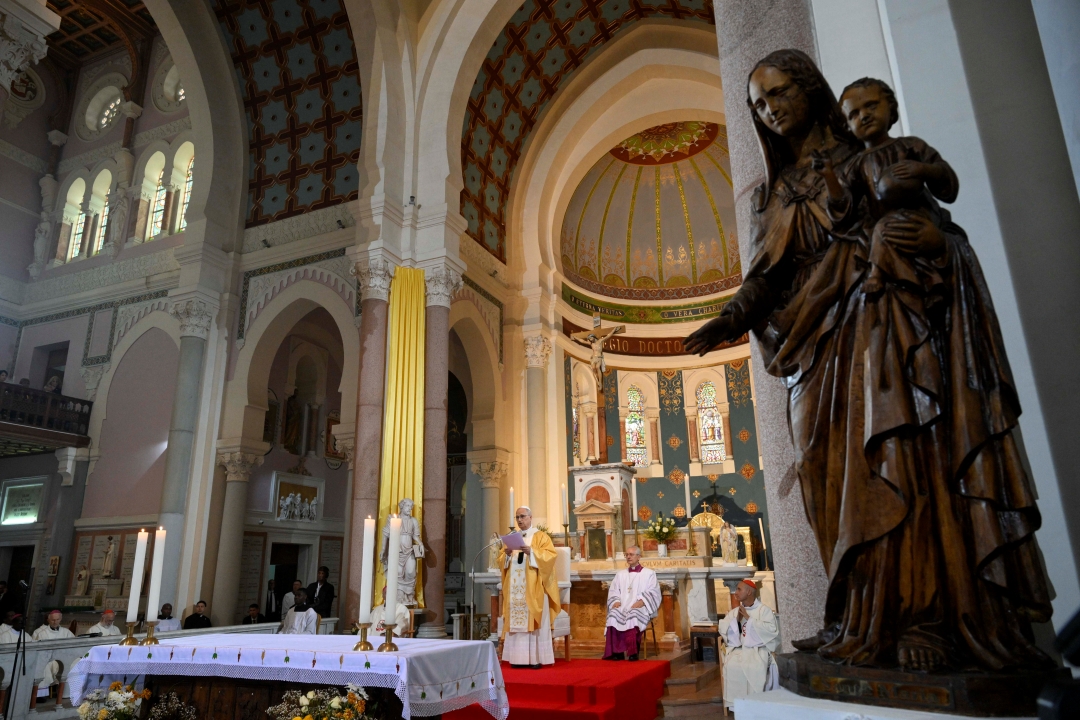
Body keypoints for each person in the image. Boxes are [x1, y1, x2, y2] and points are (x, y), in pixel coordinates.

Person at [684, 49, 1051, 674]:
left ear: (810, 89)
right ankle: (857, 617)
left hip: (879, 325)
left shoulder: (868, 154)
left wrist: (938, 243)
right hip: (812, 349)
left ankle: (921, 618)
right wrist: (730, 317)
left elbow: (932, 222)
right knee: (825, 472)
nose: (768, 110)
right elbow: (766, 278)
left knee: (895, 458)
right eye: (757, 105)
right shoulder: (771, 196)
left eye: (776, 94)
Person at [835, 77, 959, 297]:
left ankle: (932, 287)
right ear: (847, 126)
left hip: (921, 215)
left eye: (871, 105)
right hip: (884, 225)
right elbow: (843, 205)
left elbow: (947, 183)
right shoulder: (856, 164)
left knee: (917, 244)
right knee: (881, 233)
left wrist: (922, 170)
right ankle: (892, 278)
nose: (863, 115)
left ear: (890, 108)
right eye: (853, 114)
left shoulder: (910, 145)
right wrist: (827, 175)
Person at [499, 506, 559, 668]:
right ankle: (517, 659)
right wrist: (507, 555)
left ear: (530, 517)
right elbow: (501, 561)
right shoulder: (512, 537)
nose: (519, 520)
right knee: (516, 620)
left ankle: (535, 658)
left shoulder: (541, 537)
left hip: (534, 587)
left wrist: (532, 553)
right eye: (517, 517)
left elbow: (550, 557)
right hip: (514, 588)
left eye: (522, 516)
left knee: (533, 619)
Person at [718, 579, 780, 711]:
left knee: (754, 665)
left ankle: (756, 704)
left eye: (739, 589)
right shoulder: (735, 612)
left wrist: (750, 619)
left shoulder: (764, 611)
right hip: (738, 650)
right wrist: (736, 622)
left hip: (758, 650)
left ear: (749, 592)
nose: (736, 593)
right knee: (732, 665)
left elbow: (771, 631)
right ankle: (738, 705)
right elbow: (723, 628)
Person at [603, 545, 660, 661]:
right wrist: (616, 601)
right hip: (623, 605)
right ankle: (616, 652)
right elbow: (614, 590)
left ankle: (633, 652)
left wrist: (643, 601)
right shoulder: (620, 574)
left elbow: (653, 591)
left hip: (640, 606)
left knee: (633, 616)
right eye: (627, 555)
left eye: (631, 554)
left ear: (639, 557)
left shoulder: (649, 574)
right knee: (613, 615)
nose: (628, 557)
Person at [380, 498, 424, 605]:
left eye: (411, 507)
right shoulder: (392, 518)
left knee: (410, 571)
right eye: (407, 506)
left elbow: (415, 536)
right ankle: (399, 597)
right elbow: (386, 533)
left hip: (409, 551)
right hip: (396, 551)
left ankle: (409, 595)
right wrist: (383, 549)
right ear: (402, 506)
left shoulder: (413, 521)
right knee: (398, 573)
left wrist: (421, 544)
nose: (410, 509)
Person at [33, 610, 74, 700]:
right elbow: (38, 650)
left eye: (57, 619)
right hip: (48, 659)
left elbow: (73, 646)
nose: (55, 622)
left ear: (61, 619)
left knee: (75, 663)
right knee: (44, 667)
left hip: (63, 658)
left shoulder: (66, 632)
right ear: (48, 620)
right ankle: (40, 695)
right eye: (53, 620)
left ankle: (67, 693)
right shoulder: (41, 633)